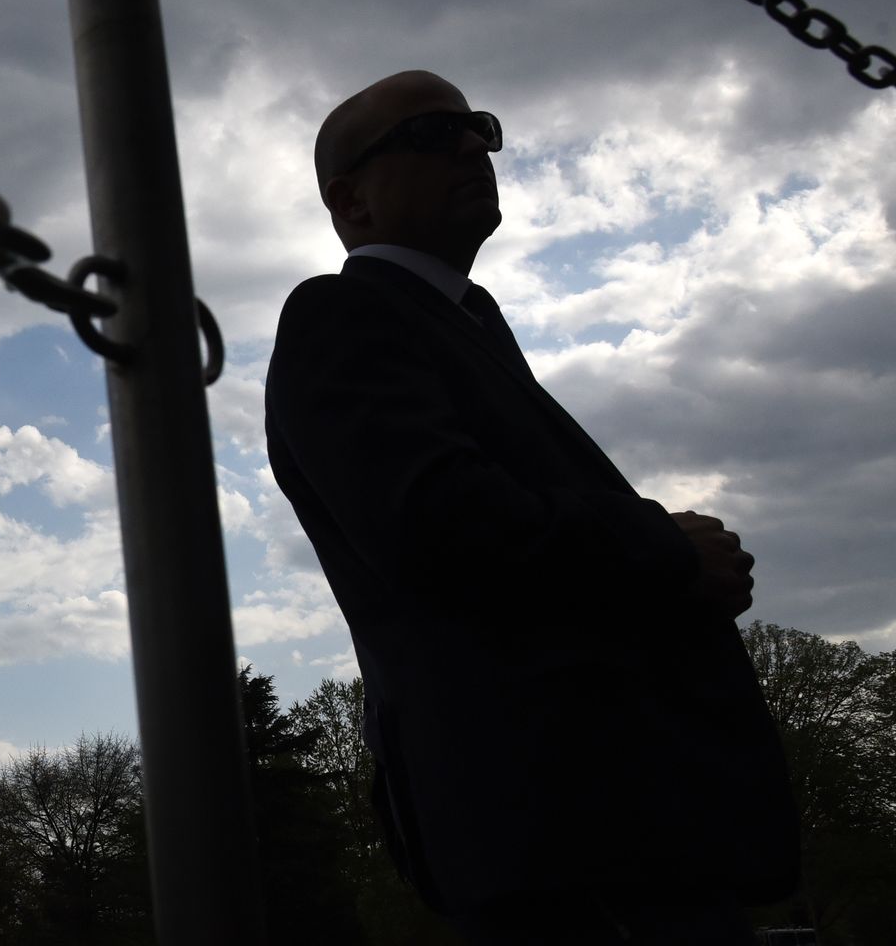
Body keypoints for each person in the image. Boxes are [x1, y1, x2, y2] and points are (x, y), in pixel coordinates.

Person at [263, 71, 801, 944]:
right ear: (349, 200)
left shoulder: (462, 327)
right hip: (565, 828)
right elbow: (438, 522)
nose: (476, 146)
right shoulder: (343, 314)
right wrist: (667, 551)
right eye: (433, 135)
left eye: (478, 127)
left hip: (609, 829)